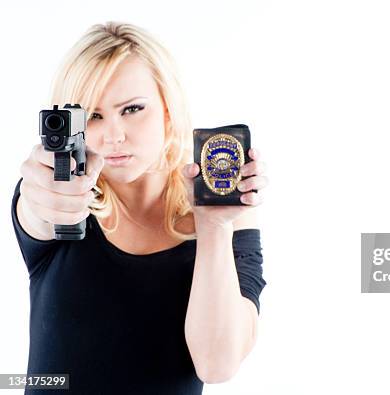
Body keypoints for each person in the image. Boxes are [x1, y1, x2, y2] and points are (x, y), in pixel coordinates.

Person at [11, 21, 268, 394]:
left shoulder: (225, 212)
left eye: (131, 109)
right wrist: (43, 194)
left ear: (167, 107)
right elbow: (39, 205)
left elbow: (216, 364)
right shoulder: (59, 192)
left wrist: (213, 228)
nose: (114, 135)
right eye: (93, 116)